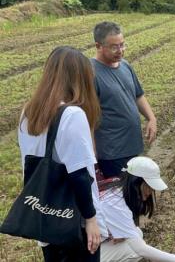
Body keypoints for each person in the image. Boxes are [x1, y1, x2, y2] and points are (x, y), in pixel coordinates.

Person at [18, 46, 108, 261]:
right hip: (73, 218)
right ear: (80, 78)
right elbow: (79, 175)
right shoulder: (72, 114)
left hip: (46, 213)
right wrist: (91, 219)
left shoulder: (29, 112)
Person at [91, 21, 158, 178]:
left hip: (133, 146)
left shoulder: (125, 66)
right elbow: (88, 119)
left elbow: (138, 95)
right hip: (112, 153)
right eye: (114, 47)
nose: (120, 51)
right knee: (120, 197)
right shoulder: (91, 73)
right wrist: (92, 158)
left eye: (122, 45)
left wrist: (151, 118)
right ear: (98, 46)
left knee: (134, 193)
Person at [99, 156, 175, 262]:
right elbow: (140, 249)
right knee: (131, 249)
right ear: (136, 182)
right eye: (149, 186)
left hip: (93, 247)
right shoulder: (116, 204)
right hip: (85, 254)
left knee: (136, 233)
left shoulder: (116, 192)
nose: (150, 191)